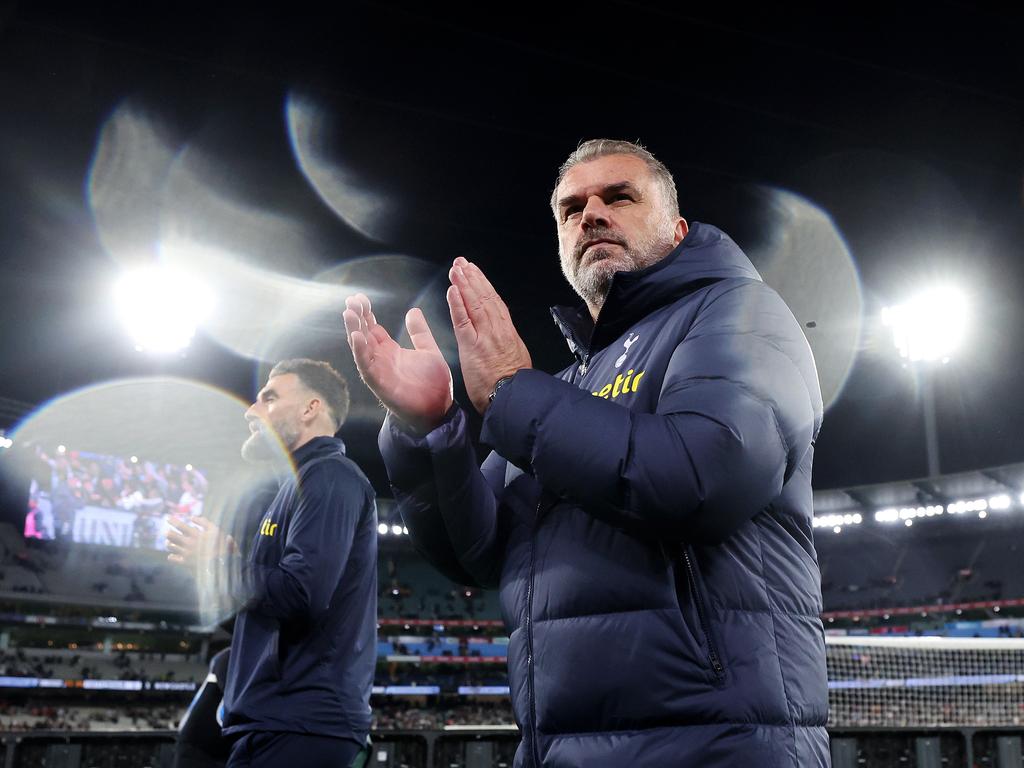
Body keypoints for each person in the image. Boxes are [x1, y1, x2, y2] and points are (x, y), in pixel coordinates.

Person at [343, 140, 828, 767]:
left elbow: (707, 474)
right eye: (570, 209)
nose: (591, 214)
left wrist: (514, 392)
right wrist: (429, 431)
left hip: (714, 741)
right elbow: (480, 551)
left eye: (618, 197)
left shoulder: (740, 313)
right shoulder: (569, 387)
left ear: (677, 229)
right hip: (559, 746)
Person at [167, 358, 377, 768]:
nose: (251, 410)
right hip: (274, 723)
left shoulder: (329, 477)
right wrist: (226, 568)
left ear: (310, 408)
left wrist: (221, 567)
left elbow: (301, 596)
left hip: (301, 725)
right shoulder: (298, 486)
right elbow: (265, 620)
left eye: (269, 397)